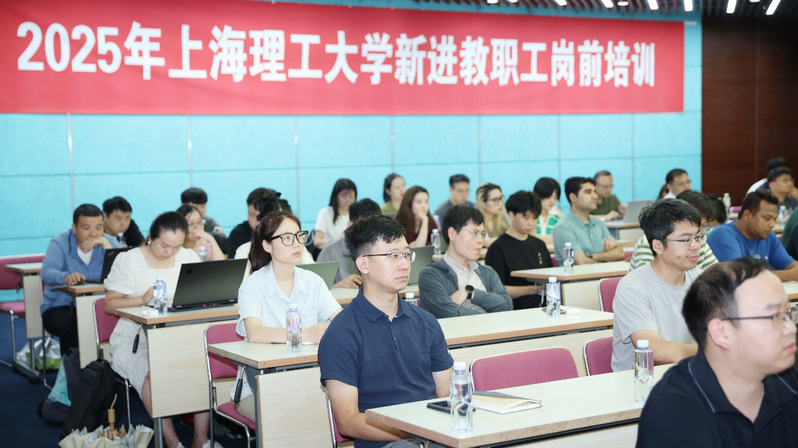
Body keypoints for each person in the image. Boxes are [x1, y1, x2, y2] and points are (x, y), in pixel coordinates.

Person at [318, 215, 454, 448]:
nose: (404, 264)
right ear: (363, 264)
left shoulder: (426, 322)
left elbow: (447, 395)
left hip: (433, 436)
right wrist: (418, 432)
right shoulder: (341, 334)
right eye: (392, 255)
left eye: (406, 255)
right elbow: (348, 422)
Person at [637, 258, 798, 446]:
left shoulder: (788, 381)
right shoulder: (672, 412)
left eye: (789, 313)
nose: (791, 329)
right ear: (721, 332)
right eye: (774, 316)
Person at [103, 212, 217, 448]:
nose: (170, 252)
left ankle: (201, 438)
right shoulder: (130, 260)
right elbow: (110, 305)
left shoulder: (188, 256)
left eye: (176, 246)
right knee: (154, 374)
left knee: (203, 369)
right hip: (136, 338)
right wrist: (141, 299)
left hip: (180, 333)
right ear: (151, 237)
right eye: (164, 245)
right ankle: (172, 441)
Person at [234, 210, 341, 422]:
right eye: (287, 238)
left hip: (310, 378)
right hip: (262, 384)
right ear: (267, 245)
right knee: (295, 418)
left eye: (299, 236)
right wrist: (305, 334)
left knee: (330, 414)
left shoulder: (313, 281)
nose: (297, 243)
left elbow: (340, 319)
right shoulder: (252, 285)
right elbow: (255, 333)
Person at [611, 199, 702, 372]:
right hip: (640, 382)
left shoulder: (702, 280)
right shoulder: (633, 287)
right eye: (685, 240)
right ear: (658, 246)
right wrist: (713, 353)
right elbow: (653, 350)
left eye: (697, 238)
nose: (695, 246)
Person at [41, 204, 120, 355]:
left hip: (100, 305)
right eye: (86, 228)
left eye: (98, 227)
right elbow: (47, 272)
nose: (93, 233)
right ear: (74, 228)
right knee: (75, 327)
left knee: (126, 324)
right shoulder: (60, 243)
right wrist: (65, 277)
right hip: (63, 306)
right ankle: (73, 365)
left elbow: (125, 271)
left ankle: (108, 366)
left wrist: (108, 248)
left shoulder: (108, 241)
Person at [419, 205, 512, 318]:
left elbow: (507, 305)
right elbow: (448, 313)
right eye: (474, 233)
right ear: (452, 234)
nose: (480, 240)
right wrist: (489, 318)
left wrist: (471, 292)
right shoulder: (431, 275)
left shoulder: (487, 272)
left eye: (482, 234)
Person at [707, 189, 798, 281]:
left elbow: (791, 266)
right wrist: (790, 275)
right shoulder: (722, 234)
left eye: (774, 219)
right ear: (747, 215)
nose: (772, 225)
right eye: (767, 218)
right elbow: (742, 276)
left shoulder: (768, 235)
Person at [485, 191, 552, 309]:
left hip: (546, 305)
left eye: (535, 218)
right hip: (516, 308)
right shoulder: (497, 248)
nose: (531, 223)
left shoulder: (539, 245)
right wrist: (535, 289)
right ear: (511, 215)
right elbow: (496, 290)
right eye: (526, 217)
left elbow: (551, 277)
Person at [630, 191, 719, 270]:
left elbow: (717, 276)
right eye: (685, 240)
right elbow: (650, 278)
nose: (700, 231)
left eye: (704, 225)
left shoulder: (697, 240)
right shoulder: (650, 243)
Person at [552, 177, 623, 265]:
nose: (595, 196)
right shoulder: (563, 227)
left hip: (606, 273)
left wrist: (591, 255)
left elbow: (620, 253)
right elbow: (581, 262)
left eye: (595, 192)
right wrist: (608, 257)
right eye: (588, 192)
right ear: (573, 197)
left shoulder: (598, 224)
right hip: (579, 274)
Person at [234, 195, 314, 269]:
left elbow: (314, 272)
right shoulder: (244, 252)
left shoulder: (297, 247)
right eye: (287, 237)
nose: (296, 243)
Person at [318, 198, 382, 289]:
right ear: (350, 225)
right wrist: (338, 286)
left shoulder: (384, 249)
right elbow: (317, 290)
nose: (371, 233)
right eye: (365, 227)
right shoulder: (329, 253)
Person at [226, 187, 278, 258]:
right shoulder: (238, 234)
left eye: (263, 216)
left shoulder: (281, 233)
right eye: (253, 215)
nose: (258, 221)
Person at [314, 178, 357, 249]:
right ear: (336, 196)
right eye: (343, 196)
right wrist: (338, 240)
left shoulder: (357, 214)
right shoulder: (325, 213)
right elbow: (317, 242)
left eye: (351, 197)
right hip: (332, 252)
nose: (347, 200)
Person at [475, 183, 509, 248]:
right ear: (483, 203)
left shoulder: (502, 218)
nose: (500, 203)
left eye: (501, 198)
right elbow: (488, 243)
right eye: (495, 200)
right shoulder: (475, 220)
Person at [533, 177, 563, 244]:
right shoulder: (530, 215)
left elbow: (562, 238)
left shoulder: (557, 215)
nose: (552, 201)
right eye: (548, 197)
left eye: (555, 197)